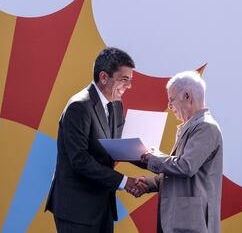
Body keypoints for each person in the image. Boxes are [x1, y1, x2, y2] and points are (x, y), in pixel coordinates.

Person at [45, 47, 147, 233]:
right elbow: (80, 160)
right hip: (76, 210)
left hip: (102, 207)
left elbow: (120, 147)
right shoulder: (79, 106)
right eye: (124, 80)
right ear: (103, 77)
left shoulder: (116, 104)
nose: (129, 86)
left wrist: (155, 161)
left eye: (130, 81)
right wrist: (125, 182)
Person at [137, 71, 223, 233]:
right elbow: (178, 174)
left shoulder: (206, 127)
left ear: (187, 96)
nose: (170, 107)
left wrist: (153, 157)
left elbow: (185, 166)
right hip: (180, 220)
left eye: (171, 100)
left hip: (192, 223)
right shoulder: (192, 126)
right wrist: (149, 184)